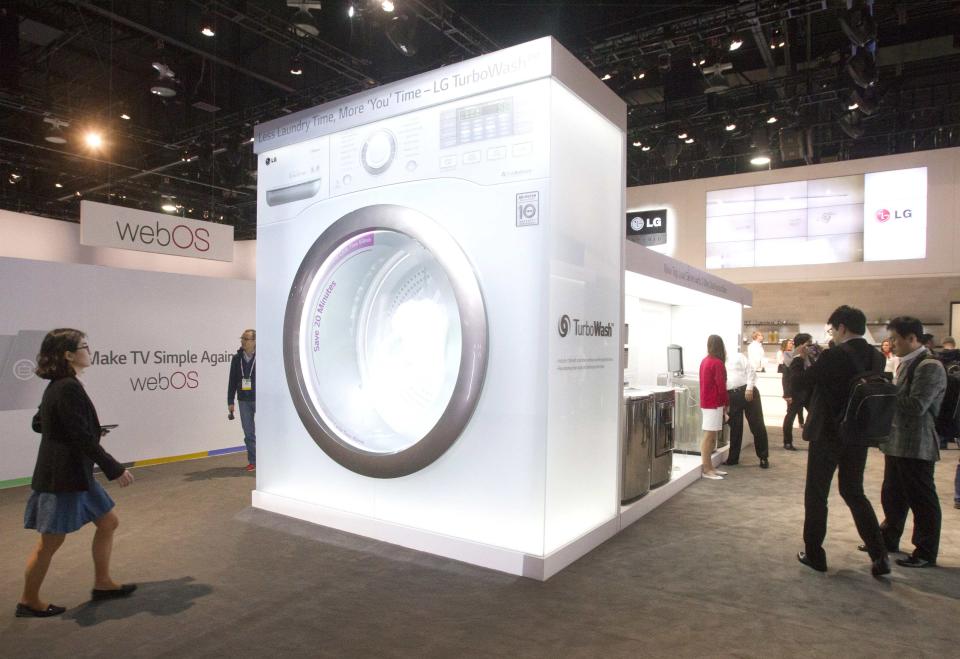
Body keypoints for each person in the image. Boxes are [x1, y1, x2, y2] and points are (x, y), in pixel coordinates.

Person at [17, 329, 136, 618]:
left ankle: (103, 583)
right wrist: (114, 467)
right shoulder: (66, 386)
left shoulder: (62, 385)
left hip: (74, 473)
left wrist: (77, 429)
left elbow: (40, 423)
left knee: (108, 522)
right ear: (69, 354)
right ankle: (28, 600)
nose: (89, 350)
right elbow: (80, 437)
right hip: (62, 477)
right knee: (50, 542)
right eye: (84, 346)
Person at [792, 305, 889, 576]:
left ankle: (815, 555)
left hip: (827, 434)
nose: (832, 334)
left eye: (833, 329)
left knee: (816, 494)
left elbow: (801, 383)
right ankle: (879, 554)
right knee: (854, 491)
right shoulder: (876, 356)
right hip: (858, 434)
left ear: (842, 327)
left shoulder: (833, 356)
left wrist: (800, 359)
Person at [874, 317, 946, 568]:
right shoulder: (908, 363)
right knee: (892, 495)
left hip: (917, 444)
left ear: (912, 338)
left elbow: (917, 406)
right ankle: (888, 539)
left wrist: (887, 391)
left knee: (921, 498)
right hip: (897, 441)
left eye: (895, 339)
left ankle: (925, 551)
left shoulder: (929, 366)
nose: (891, 344)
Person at [724, 346, 770, 468]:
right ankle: (733, 458)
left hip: (748, 391)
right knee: (735, 428)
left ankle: (763, 457)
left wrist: (749, 388)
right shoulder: (718, 363)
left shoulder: (737, 356)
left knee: (757, 425)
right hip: (731, 395)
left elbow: (750, 371)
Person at [699, 335, 728, 480]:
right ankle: (707, 469)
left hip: (708, 402)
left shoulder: (706, 361)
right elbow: (721, 386)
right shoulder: (717, 363)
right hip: (714, 403)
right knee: (709, 436)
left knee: (711, 436)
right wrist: (726, 404)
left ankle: (710, 467)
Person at [228, 329, 257, 472]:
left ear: (254, 341)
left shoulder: (262, 357)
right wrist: (230, 401)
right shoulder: (236, 359)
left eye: (246, 339)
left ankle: (268, 460)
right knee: (248, 433)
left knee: (266, 432)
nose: (243, 341)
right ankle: (253, 461)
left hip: (260, 399)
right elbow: (231, 381)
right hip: (243, 400)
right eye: (242, 339)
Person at [782, 333, 814, 451]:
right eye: (808, 343)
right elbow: (786, 378)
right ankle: (787, 442)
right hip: (795, 393)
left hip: (808, 392)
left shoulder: (809, 357)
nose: (810, 346)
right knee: (790, 416)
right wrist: (787, 394)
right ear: (801, 345)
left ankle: (813, 439)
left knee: (814, 414)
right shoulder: (789, 357)